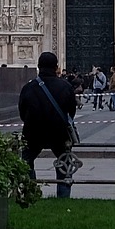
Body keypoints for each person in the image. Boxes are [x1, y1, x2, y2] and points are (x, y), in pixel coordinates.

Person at [18, 51, 78, 198]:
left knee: (26, 160)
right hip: (59, 132)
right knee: (64, 161)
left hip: (33, 133)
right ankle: (63, 197)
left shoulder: (29, 87)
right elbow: (72, 111)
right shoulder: (65, 86)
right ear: (56, 67)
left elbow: (22, 112)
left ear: (38, 66)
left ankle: (30, 191)